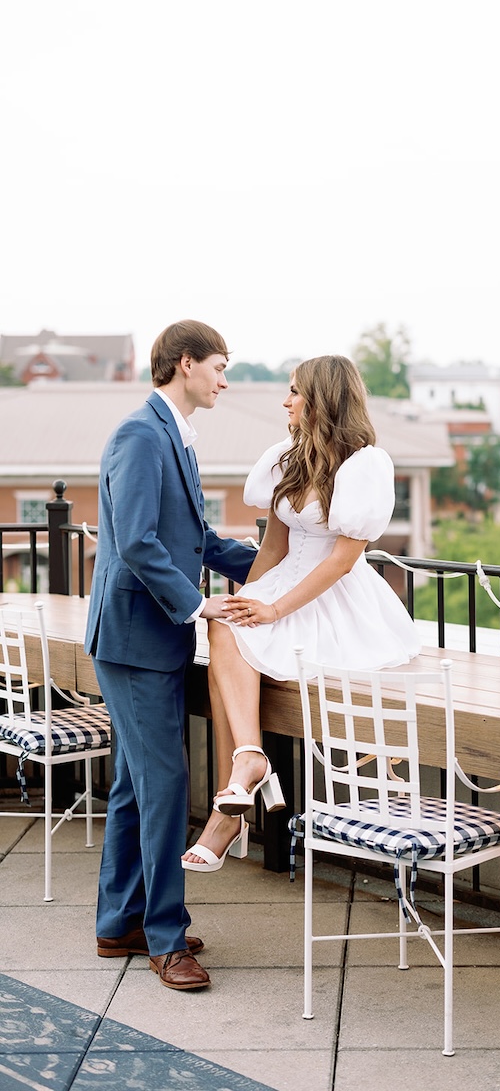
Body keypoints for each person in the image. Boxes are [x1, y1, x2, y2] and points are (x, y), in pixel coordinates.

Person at [182, 354, 421, 871]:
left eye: (295, 391)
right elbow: (274, 547)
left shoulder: (364, 464)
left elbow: (341, 559)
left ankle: (233, 805)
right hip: (286, 583)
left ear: (324, 398)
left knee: (230, 645)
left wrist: (273, 609)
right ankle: (248, 762)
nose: (285, 400)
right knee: (224, 623)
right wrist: (250, 599)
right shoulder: (286, 458)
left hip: (334, 598)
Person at [85, 320, 257, 991]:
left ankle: (119, 923)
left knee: (136, 785)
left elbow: (196, 537)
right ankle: (165, 939)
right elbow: (135, 542)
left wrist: (269, 566)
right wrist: (199, 604)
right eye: (219, 365)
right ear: (185, 364)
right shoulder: (139, 434)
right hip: (133, 640)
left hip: (150, 640)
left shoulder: (176, 438)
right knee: (164, 788)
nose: (224, 378)